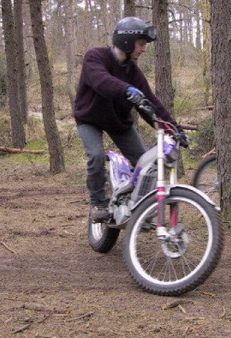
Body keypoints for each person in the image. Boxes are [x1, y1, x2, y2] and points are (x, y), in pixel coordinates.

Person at [74, 17, 186, 221]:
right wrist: (126, 89)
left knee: (145, 165)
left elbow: (151, 103)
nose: (143, 49)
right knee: (96, 156)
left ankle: (137, 205)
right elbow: (101, 81)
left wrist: (175, 130)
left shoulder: (133, 72)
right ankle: (98, 202)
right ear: (127, 41)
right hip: (89, 119)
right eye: (141, 44)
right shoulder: (95, 57)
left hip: (118, 123)